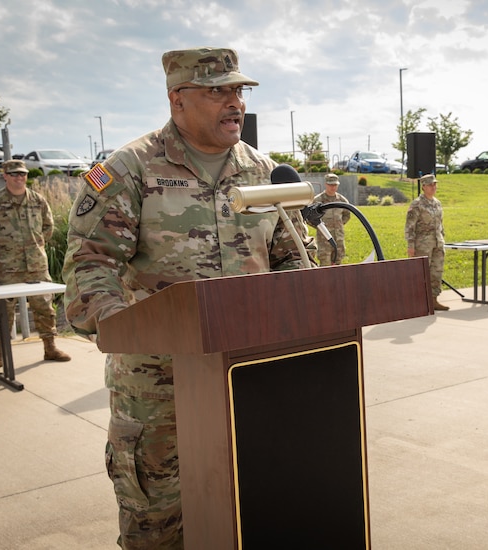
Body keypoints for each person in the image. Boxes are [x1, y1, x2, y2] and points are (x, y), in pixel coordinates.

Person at [62, 47, 314, 548]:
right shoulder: (130, 170)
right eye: (216, 91)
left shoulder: (265, 172)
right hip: (160, 389)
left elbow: (293, 259)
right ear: (177, 99)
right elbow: (89, 269)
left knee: (254, 509)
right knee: (158, 525)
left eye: (238, 90)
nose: (234, 103)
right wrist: (134, 328)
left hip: (252, 377)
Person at [0, 159, 71, 372]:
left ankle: (50, 347)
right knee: (3, 312)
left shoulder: (38, 200)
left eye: (23, 174)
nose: (19, 178)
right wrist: (1, 252)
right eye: (15, 174)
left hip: (36, 264)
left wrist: (34, 247)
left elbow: (48, 227)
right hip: (5, 268)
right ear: (5, 175)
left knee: (44, 308)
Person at [405, 174, 448, 311]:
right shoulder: (417, 204)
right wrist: (410, 245)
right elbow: (410, 226)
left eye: (435, 184)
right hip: (422, 244)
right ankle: (418, 302)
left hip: (437, 242)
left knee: (436, 272)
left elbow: (440, 223)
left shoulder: (437, 203)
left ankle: (433, 299)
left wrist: (442, 238)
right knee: (420, 273)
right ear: (423, 186)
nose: (433, 187)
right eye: (430, 185)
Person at [312, 173, 351, 265]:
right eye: (330, 185)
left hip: (338, 239)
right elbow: (310, 217)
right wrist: (320, 227)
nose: (333, 187)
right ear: (326, 184)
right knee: (325, 267)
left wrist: (339, 224)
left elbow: (347, 215)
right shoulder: (318, 200)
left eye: (335, 185)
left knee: (338, 266)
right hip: (324, 240)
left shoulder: (342, 201)